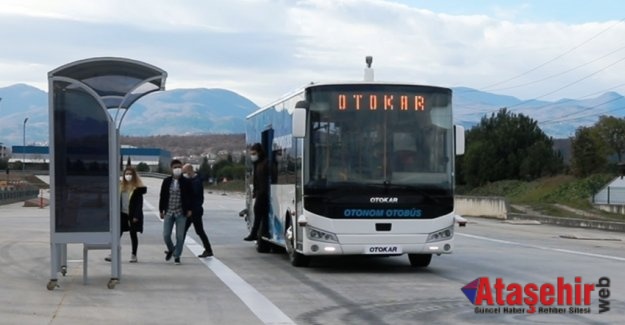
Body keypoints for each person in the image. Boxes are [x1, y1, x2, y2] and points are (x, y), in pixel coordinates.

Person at [105, 166, 147, 263]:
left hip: (133, 215)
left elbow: (139, 204)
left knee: (133, 234)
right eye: (127, 174)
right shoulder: (120, 186)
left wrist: (136, 216)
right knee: (117, 233)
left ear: (134, 176)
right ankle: (113, 253)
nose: (128, 176)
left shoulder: (137, 189)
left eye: (130, 174)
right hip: (122, 213)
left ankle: (134, 255)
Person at [159, 159, 193, 265]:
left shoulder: (186, 182)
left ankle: (177, 255)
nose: (177, 169)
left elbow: (190, 197)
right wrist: (161, 210)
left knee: (180, 236)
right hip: (169, 211)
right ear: (171, 169)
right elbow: (162, 196)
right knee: (166, 235)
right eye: (175, 167)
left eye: (179, 167)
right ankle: (171, 249)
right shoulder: (166, 181)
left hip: (181, 212)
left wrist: (189, 209)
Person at [182, 163, 214, 258]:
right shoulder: (193, 180)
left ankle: (208, 250)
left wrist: (190, 209)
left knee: (197, 231)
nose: (184, 174)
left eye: (185, 172)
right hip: (192, 210)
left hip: (194, 210)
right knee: (185, 231)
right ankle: (175, 249)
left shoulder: (196, 182)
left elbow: (193, 196)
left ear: (189, 170)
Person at [244, 143, 270, 241]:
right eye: (251, 154)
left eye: (254, 153)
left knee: (258, 212)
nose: (252, 156)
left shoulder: (264, 163)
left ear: (259, 152)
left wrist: (261, 192)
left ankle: (255, 233)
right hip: (259, 192)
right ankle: (261, 232)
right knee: (260, 214)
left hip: (263, 193)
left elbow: (264, 180)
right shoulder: (258, 164)